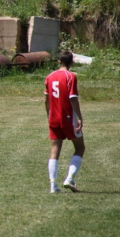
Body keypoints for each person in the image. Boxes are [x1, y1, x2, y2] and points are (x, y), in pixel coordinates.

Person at [45, 50, 85, 194]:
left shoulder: (49, 77)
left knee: (54, 151)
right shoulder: (71, 76)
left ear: (58, 62)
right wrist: (80, 117)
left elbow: (47, 100)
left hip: (53, 118)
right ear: (71, 63)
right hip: (68, 118)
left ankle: (53, 186)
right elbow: (73, 98)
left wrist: (49, 115)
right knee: (80, 148)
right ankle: (69, 178)